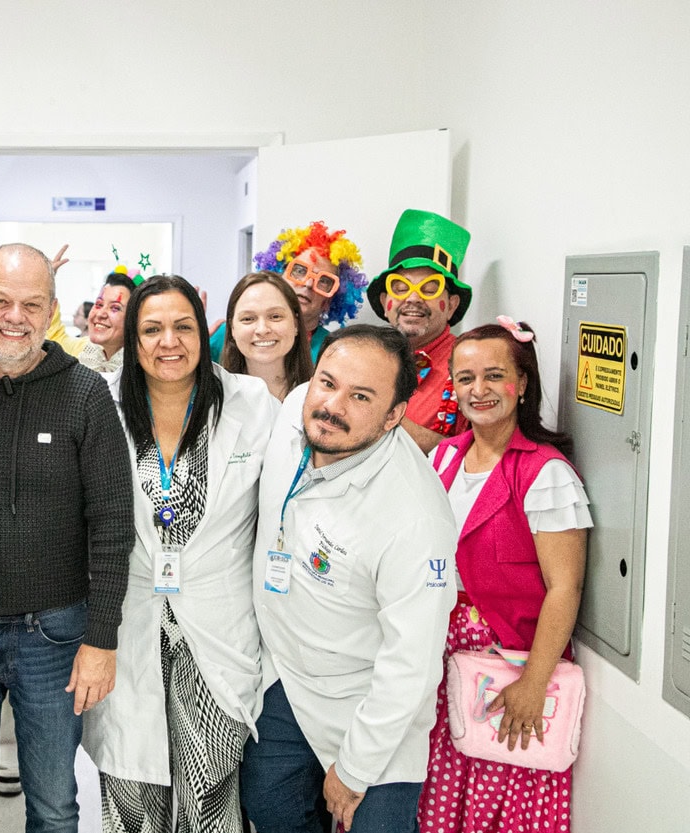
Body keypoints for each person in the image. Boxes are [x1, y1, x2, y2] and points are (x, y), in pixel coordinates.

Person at [0, 242, 134, 833]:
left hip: (54, 636)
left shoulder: (85, 394)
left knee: (53, 807)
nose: (13, 317)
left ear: (51, 310)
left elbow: (113, 527)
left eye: (30, 303)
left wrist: (101, 638)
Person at [243, 325, 458, 833]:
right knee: (268, 805)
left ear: (393, 416)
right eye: (327, 382)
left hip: (370, 699)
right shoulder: (299, 409)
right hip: (287, 680)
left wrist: (355, 769)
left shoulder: (414, 515)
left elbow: (412, 664)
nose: (332, 405)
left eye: (360, 396)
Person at [82, 275, 277, 832]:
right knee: (130, 791)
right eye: (152, 329)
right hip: (128, 623)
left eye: (183, 326)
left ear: (203, 330)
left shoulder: (251, 404)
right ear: (133, 336)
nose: (169, 342)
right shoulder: (102, 402)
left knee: (209, 795)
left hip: (217, 628)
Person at [417, 319, 591, 833]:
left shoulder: (545, 472)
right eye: (466, 378)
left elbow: (565, 588)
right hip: (439, 663)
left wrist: (534, 684)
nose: (479, 390)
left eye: (495, 376)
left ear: (523, 384)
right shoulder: (443, 456)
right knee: (438, 800)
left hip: (510, 667)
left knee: (496, 804)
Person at [365, 208, 472, 452]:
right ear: (384, 303)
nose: (413, 298)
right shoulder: (366, 358)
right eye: (400, 288)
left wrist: (373, 416)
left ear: (452, 305)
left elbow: (474, 457)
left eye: (430, 288)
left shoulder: (469, 364)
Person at [211, 221, 366, 364]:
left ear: (329, 302)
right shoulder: (231, 332)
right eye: (299, 270)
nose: (308, 283)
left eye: (324, 281)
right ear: (279, 275)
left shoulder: (334, 351)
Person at [220, 270, 314, 400]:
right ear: (232, 329)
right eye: (248, 319)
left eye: (275, 316)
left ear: (296, 324)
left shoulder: (318, 397)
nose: (262, 330)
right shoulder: (213, 399)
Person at [79, 270, 138, 372]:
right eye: (99, 304)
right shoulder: (84, 356)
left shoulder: (143, 367)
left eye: (115, 308)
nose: (101, 314)